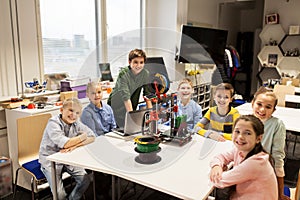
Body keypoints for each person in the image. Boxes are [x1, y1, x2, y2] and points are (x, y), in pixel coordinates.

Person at [210, 115, 278, 199]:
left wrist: (219, 173)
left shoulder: (256, 162)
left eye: (247, 133)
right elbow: (220, 156)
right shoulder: (240, 150)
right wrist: (216, 166)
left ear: (258, 138)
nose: (240, 137)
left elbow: (218, 181)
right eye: (237, 131)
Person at [39, 98, 95, 200]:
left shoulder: (76, 122)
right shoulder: (53, 123)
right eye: (71, 110)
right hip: (50, 159)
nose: (74, 115)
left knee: (85, 179)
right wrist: (82, 137)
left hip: (67, 157)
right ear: (61, 110)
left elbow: (92, 137)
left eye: (77, 112)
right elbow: (65, 144)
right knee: (59, 194)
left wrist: (75, 145)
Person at [251, 86, 290, 200]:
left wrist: (280, 193)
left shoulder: (277, 125)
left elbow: (278, 157)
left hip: (266, 172)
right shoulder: (245, 121)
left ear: (273, 110)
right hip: (245, 170)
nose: (262, 110)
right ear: (252, 103)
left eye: (268, 107)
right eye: (259, 104)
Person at [107, 48, 152, 127]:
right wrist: (132, 118)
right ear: (129, 62)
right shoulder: (124, 73)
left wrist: (151, 114)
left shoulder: (145, 74)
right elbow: (126, 98)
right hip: (115, 108)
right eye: (135, 62)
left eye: (141, 62)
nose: (138, 65)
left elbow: (147, 95)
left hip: (131, 107)